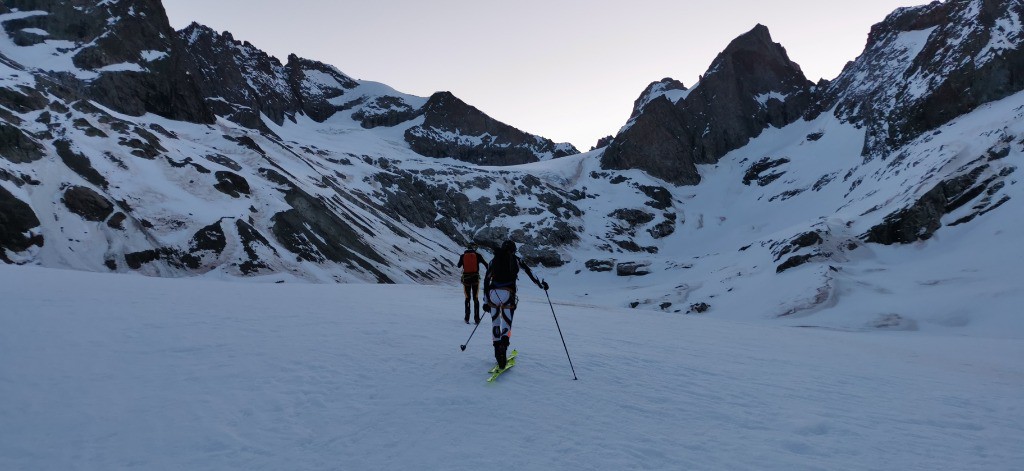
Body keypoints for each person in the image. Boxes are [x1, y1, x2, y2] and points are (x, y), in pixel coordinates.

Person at [483, 240, 548, 369]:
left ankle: (497, 353)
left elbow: (486, 280)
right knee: (506, 322)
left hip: (492, 295)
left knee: (495, 322)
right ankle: (503, 348)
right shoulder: (516, 259)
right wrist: (542, 284)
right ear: (513, 250)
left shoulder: (493, 260)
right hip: (508, 294)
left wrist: (485, 301)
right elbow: (530, 273)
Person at [455, 242, 488, 324]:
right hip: (475, 279)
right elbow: (486, 265)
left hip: (466, 279)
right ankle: (477, 318)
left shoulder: (463, 256)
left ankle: (467, 318)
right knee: (475, 298)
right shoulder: (478, 255)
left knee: (467, 298)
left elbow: (459, 265)